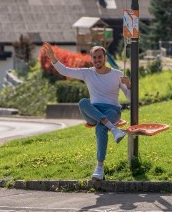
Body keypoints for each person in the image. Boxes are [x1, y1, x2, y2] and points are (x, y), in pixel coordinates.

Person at [42, 42, 131, 181]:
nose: (97, 60)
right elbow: (65, 71)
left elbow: (130, 97)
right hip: (93, 111)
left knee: (101, 127)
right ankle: (114, 129)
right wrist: (53, 58)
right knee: (83, 102)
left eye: (99, 57)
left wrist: (129, 85)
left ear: (105, 57)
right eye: (94, 57)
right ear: (91, 59)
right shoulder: (87, 73)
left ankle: (99, 168)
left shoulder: (117, 74)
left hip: (112, 110)